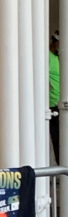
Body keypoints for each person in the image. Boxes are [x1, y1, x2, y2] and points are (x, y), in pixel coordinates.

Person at [50, 30, 60, 164]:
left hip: (59, 102)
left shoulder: (58, 58)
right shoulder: (48, 57)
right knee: (59, 141)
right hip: (53, 104)